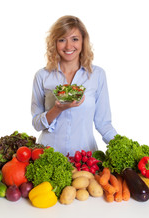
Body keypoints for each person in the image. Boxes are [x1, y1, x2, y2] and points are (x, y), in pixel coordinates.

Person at [31, 15, 117, 156]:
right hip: (49, 156)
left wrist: (121, 146)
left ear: (83, 41)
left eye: (75, 39)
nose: (69, 46)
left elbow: (104, 124)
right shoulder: (42, 76)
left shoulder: (97, 75)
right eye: (62, 40)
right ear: (54, 43)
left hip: (85, 160)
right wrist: (57, 109)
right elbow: (37, 124)